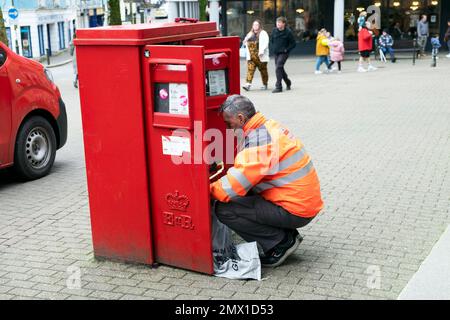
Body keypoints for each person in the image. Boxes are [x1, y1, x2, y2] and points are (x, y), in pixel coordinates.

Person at [210, 95, 323, 268]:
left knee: (224, 209)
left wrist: (206, 189)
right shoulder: (269, 126)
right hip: (302, 201)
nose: (228, 129)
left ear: (240, 118)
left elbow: (229, 188)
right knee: (245, 194)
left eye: (229, 123)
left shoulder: (260, 143)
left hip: (295, 209)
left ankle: (280, 243)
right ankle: (284, 233)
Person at [270, 17, 296, 93]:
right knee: (280, 68)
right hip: (276, 53)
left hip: (284, 53)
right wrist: (274, 48)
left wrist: (286, 49)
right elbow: (271, 40)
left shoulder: (288, 32)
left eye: (279, 22)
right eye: (277, 22)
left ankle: (278, 87)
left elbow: (293, 44)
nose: (278, 24)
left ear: (284, 24)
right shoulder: (274, 30)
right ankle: (288, 82)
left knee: (278, 67)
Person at [242, 20, 270, 91]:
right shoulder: (250, 33)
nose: (255, 26)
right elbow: (245, 41)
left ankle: (265, 84)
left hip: (260, 56)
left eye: (257, 25)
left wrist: (262, 51)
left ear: (260, 25)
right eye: (254, 25)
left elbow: (265, 43)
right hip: (251, 56)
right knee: (250, 70)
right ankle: (248, 84)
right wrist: (245, 41)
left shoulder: (263, 33)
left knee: (263, 71)